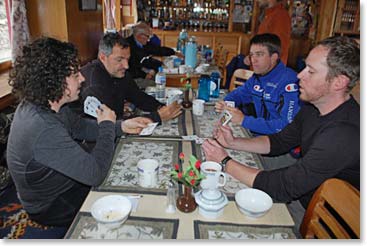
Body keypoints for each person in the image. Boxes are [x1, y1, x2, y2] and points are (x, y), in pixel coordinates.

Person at [6, 37, 152, 230]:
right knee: (126, 203)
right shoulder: (42, 127)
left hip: (62, 182)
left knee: (125, 172)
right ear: (56, 81)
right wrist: (107, 126)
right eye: (75, 75)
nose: (82, 78)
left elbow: (80, 127)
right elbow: (96, 175)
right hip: (51, 203)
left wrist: (121, 126)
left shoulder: (46, 102)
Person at [203, 36, 360, 212]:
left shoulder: (344, 134)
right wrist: (233, 143)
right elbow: (279, 141)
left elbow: (283, 187)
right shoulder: (313, 107)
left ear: (339, 82)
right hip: (301, 194)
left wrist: (224, 161)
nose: (300, 75)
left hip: (316, 216)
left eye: (311, 71)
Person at [80, 32, 182, 123]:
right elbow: (113, 124)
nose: (126, 66)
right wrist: (157, 117)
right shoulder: (93, 84)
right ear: (103, 57)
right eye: (119, 60)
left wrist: (162, 108)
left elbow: (138, 96)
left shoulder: (117, 72)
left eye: (127, 59)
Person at [216, 33, 300, 136]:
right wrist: (226, 103)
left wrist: (244, 120)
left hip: (281, 144)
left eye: (259, 54)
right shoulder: (258, 76)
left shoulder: (290, 82)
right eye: (251, 55)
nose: (253, 60)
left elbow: (285, 126)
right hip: (259, 137)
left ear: (274, 57)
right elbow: (239, 94)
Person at [225, 0, 291, 88]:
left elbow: (278, 48)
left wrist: (252, 58)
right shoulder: (269, 15)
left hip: (268, 76)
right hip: (260, 74)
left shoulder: (280, 16)